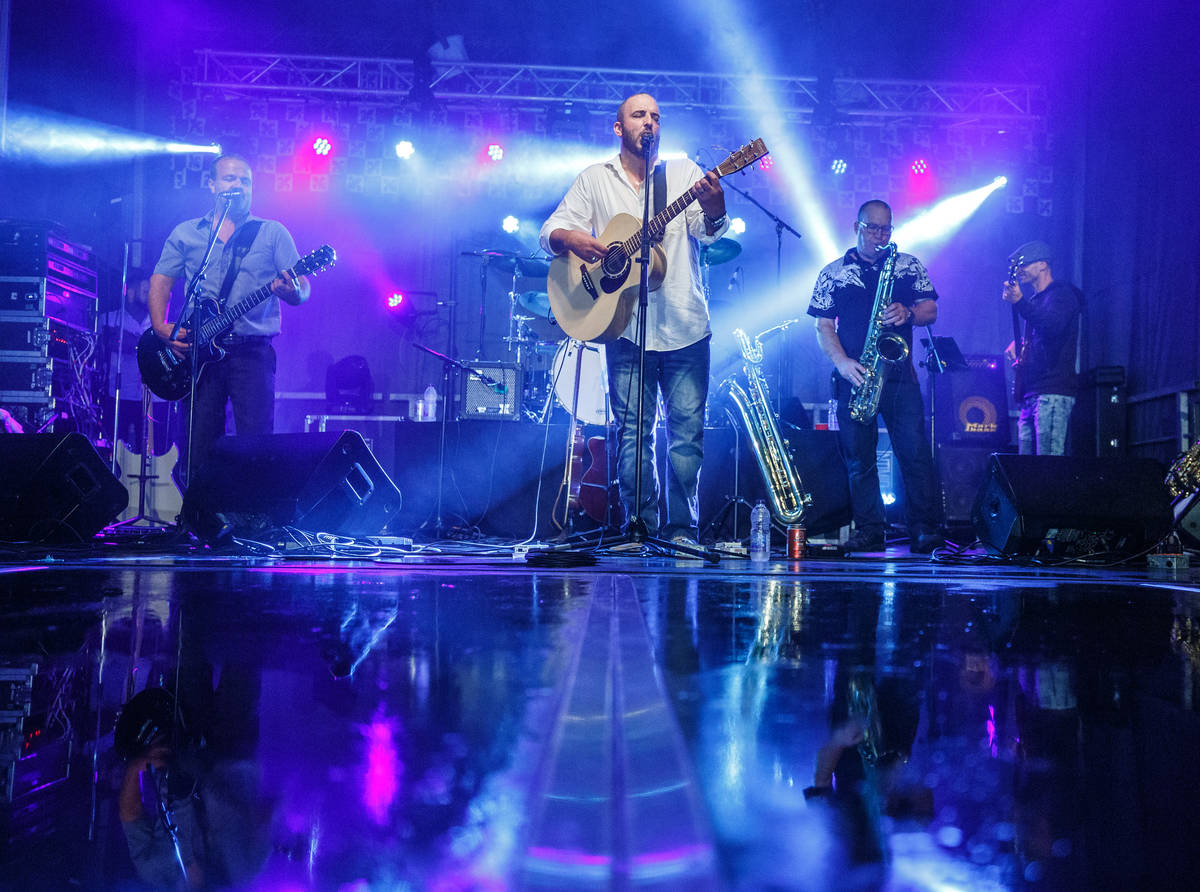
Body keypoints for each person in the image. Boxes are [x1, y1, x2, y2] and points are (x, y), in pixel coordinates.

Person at [539, 93, 728, 546]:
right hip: (624, 327)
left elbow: (709, 229)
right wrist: (575, 241)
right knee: (631, 437)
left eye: (656, 116)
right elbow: (549, 231)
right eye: (639, 115)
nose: (650, 122)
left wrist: (717, 206)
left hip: (684, 325)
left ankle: (681, 533)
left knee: (686, 439)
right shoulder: (594, 179)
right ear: (618, 127)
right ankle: (639, 528)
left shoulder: (681, 173)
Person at [148, 154, 309, 483]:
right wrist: (161, 327)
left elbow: (303, 289)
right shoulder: (188, 233)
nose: (237, 186)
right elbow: (161, 281)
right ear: (212, 185)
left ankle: (253, 519)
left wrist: (290, 291)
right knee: (198, 442)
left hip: (252, 352)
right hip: (200, 353)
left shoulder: (272, 233)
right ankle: (197, 520)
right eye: (229, 179)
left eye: (245, 181)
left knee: (256, 439)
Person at [808, 199, 944, 554]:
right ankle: (870, 530)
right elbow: (823, 327)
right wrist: (842, 362)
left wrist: (909, 311)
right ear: (856, 227)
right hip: (855, 377)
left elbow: (931, 308)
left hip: (900, 379)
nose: (880, 236)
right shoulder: (832, 272)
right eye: (873, 228)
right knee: (859, 461)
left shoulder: (908, 265)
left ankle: (925, 529)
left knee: (914, 454)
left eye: (886, 228)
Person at [1002, 240, 1082, 456]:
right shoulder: (1037, 300)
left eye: (1025, 265)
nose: (1020, 272)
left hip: (1052, 391)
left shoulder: (1062, 294)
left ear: (1043, 265)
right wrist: (1021, 345)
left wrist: (1020, 302)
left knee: (1048, 465)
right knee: (1027, 469)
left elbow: (1052, 325)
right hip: (1032, 391)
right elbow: (1042, 329)